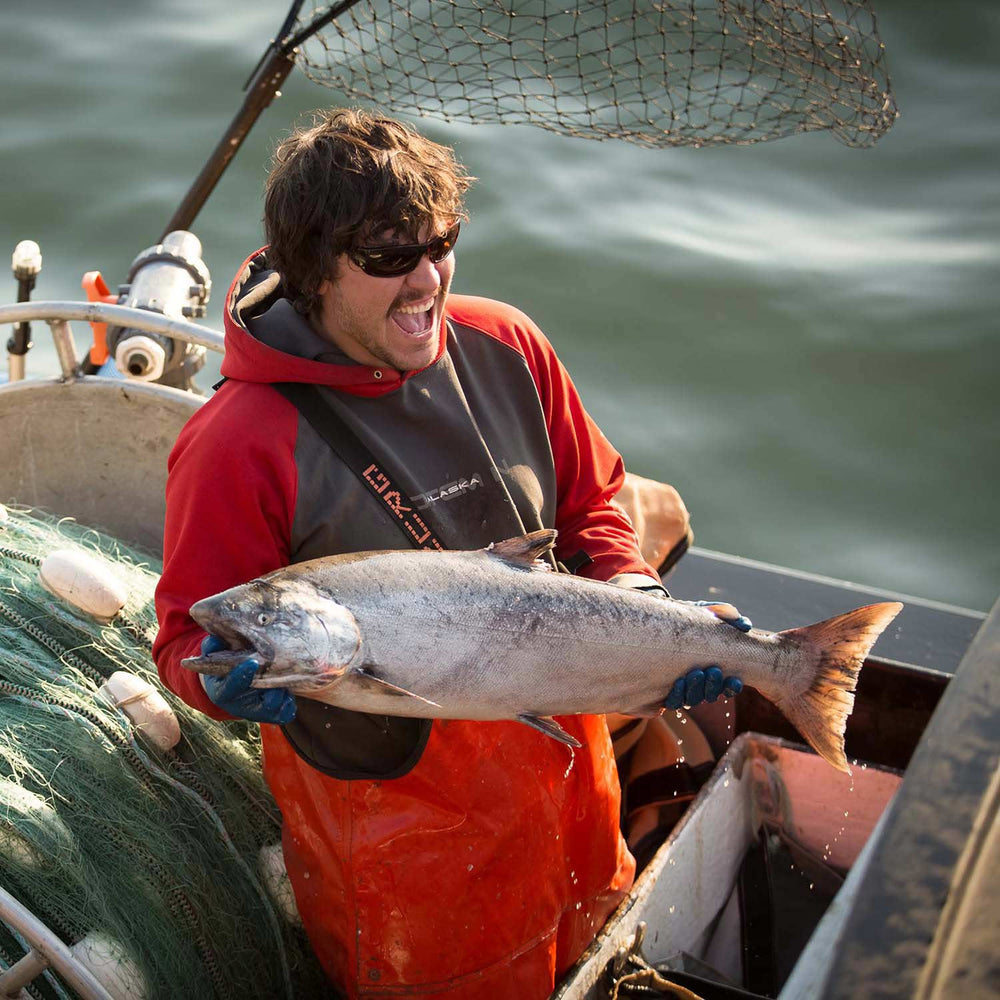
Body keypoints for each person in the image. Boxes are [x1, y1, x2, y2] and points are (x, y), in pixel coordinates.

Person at [153, 108, 745, 1000]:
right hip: (399, 839)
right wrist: (215, 682)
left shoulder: (507, 344)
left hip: (568, 762)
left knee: (594, 953)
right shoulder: (237, 442)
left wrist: (642, 603)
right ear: (314, 270)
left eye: (442, 243)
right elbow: (182, 641)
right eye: (390, 257)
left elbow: (594, 506)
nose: (428, 277)